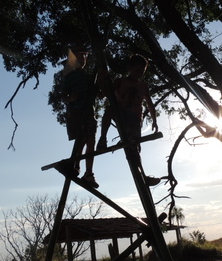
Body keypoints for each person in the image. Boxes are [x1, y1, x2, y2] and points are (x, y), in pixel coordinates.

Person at [97, 54, 159, 186]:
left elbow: (150, 104)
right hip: (120, 114)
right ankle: (102, 139)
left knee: (134, 147)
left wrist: (154, 120)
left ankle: (143, 175)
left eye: (142, 72)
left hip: (134, 119)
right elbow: (103, 94)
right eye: (137, 70)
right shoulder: (120, 81)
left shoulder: (143, 86)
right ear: (130, 68)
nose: (139, 74)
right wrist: (101, 79)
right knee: (109, 109)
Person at [60, 46, 99, 188]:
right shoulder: (69, 76)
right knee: (80, 140)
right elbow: (63, 96)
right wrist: (71, 98)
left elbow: (95, 93)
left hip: (89, 112)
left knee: (91, 141)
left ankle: (89, 172)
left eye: (84, 56)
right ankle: (76, 165)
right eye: (79, 56)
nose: (83, 59)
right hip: (76, 112)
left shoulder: (89, 76)